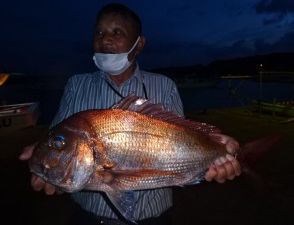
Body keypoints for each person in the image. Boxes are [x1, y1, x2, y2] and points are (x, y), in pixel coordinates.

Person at [19, 3, 241, 225]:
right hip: (88, 217)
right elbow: (59, 137)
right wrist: (52, 161)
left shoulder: (164, 86)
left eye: (117, 32)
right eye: (99, 32)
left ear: (139, 44)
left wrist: (215, 147)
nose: (104, 39)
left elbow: (184, 139)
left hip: (154, 217)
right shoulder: (76, 85)